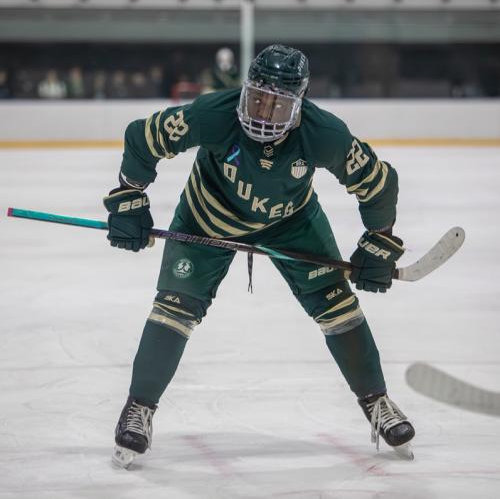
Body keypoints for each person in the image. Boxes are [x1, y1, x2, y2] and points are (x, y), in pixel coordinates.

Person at [104, 44, 415, 468]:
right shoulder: (214, 113)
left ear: (299, 105)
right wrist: (129, 196)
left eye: (278, 105)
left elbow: (378, 184)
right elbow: (143, 137)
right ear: (245, 88)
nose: (263, 114)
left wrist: (379, 239)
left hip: (293, 223)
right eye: (257, 99)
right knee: (174, 309)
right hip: (206, 220)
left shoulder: (324, 133)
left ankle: (377, 401)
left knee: (338, 307)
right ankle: (139, 406)